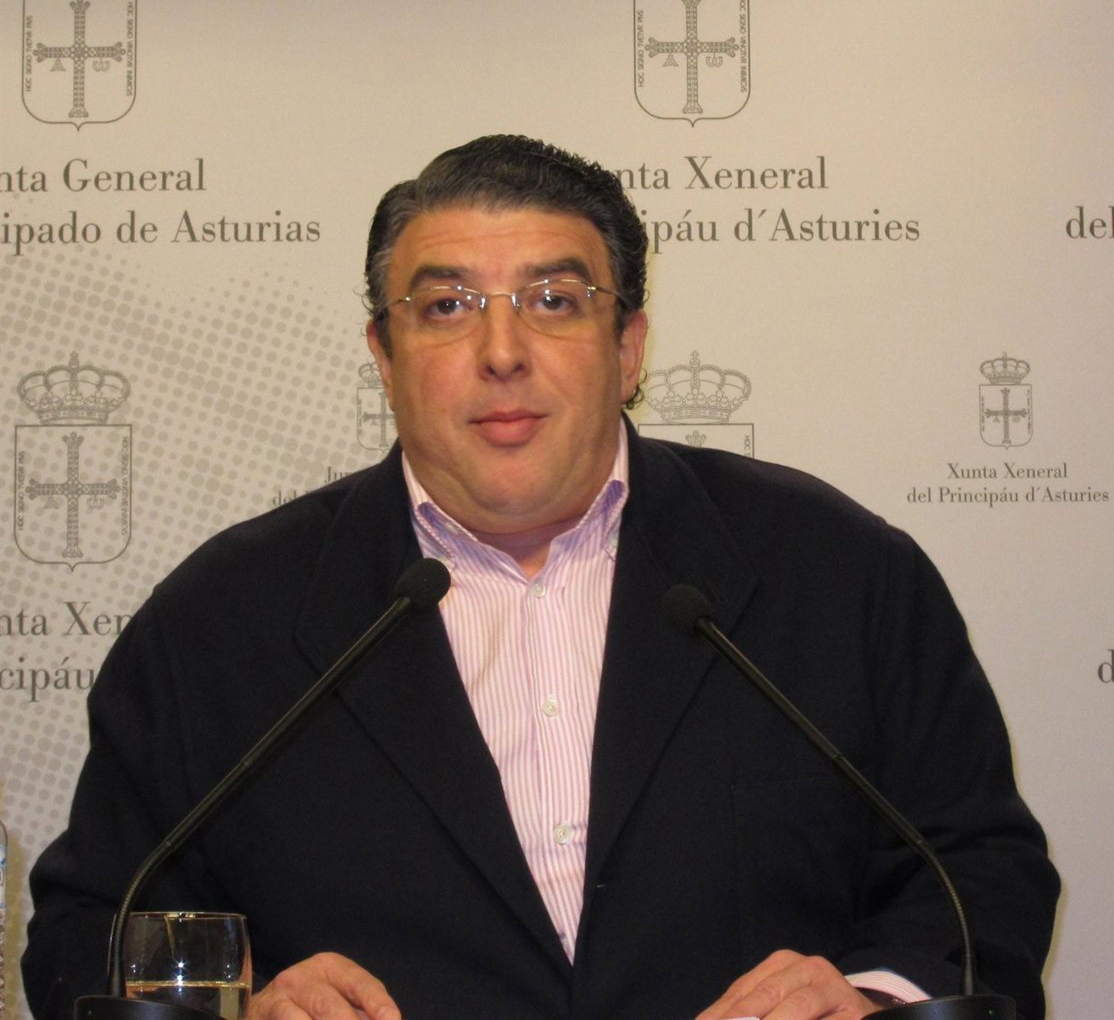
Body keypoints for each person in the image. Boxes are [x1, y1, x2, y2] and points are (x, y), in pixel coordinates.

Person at [23, 135, 1059, 1020]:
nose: (502, 350)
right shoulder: (222, 618)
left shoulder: (836, 574)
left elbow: (977, 871)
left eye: (555, 300)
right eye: (446, 307)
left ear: (629, 346)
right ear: (383, 356)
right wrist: (237, 1008)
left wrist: (871, 997)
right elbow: (91, 928)